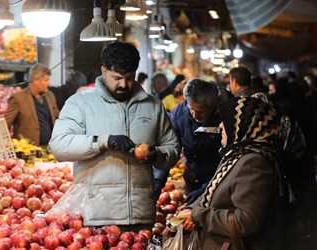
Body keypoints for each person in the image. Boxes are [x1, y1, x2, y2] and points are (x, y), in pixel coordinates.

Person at [49, 41, 180, 231]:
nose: (123, 84)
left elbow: (172, 146)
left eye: (129, 78)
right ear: (103, 71)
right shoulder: (80, 103)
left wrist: (158, 155)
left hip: (140, 215)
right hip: (95, 216)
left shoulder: (152, 105)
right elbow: (59, 146)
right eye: (117, 77)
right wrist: (103, 141)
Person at [177, 96, 285, 249]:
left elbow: (247, 221)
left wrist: (198, 216)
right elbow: (213, 192)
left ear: (242, 126)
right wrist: (192, 209)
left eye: (226, 121)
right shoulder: (236, 154)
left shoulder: (254, 162)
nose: (221, 125)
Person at [169, 79, 223, 205]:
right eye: (191, 109)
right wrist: (158, 179)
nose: (194, 115)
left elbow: (228, 160)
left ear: (212, 105)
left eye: (200, 111)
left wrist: (206, 189)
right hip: (191, 181)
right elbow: (172, 146)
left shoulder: (224, 116)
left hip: (217, 183)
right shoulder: (179, 113)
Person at [4, 63, 59, 146]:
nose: (49, 83)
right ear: (36, 80)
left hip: (50, 149)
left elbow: (57, 118)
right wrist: (7, 146)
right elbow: (4, 126)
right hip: (28, 151)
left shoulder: (50, 96)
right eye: (46, 80)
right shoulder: (18, 98)